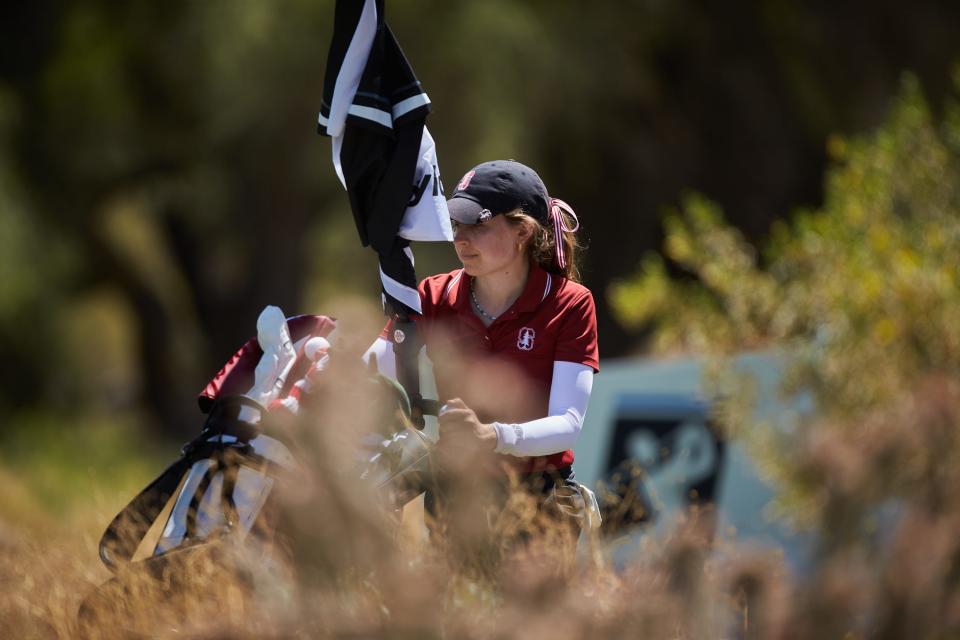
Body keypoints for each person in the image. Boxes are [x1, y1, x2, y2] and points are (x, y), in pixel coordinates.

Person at [365, 159, 599, 553]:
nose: (461, 239)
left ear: (523, 231)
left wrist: (492, 436)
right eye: (457, 226)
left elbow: (568, 423)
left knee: (528, 616)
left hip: (539, 499)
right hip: (456, 494)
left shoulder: (570, 303)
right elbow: (372, 369)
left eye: (479, 226)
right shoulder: (430, 296)